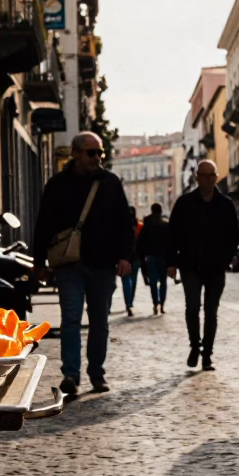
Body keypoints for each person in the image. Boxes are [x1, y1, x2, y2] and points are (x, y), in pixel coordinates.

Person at [33, 131, 133, 396]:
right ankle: (71, 375)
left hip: (103, 265)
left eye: (100, 153)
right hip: (69, 266)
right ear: (75, 153)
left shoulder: (110, 183)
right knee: (71, 320)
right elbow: (43, 223)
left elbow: (124, 221)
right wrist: (39, 261)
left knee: (100, 321)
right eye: (91, 153)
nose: (97, 158)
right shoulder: (57, 185)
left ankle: (97, 373)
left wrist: (125, 256)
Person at [166, 160, 239, 370]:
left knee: (211, 311)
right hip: (190, 266)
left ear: (215, 177)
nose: (207, 179)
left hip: (216, 268)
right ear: (196, 177)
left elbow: (233, 236)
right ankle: (194, 346)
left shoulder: (226, 205)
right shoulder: (184, 203)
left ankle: (207, 354)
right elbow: (172, 235)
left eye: (211, 175)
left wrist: (226, 258)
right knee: (192, 307)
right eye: (203, 175)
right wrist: (171, 262)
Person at [138, 202, 169, 314]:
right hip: (163, 257)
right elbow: (170, 243)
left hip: (150, 257)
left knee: (153, 282)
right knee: (163, 282)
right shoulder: (165, 225)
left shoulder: (147, 226)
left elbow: (140, 243)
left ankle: (155, 303)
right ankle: (162, 304)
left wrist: (141, 258)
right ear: (160, 211)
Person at [121, 206, 141, 316]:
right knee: (133, 281)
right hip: (135, 258)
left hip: (125, 257)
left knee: (126, 282)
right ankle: (130, 302)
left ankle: (128, 303)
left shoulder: (121, 226)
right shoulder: (139, 226)